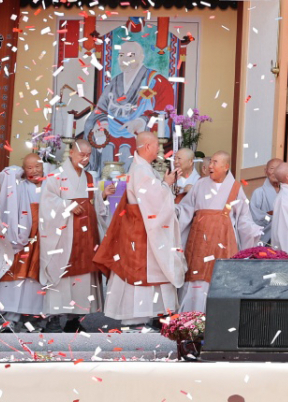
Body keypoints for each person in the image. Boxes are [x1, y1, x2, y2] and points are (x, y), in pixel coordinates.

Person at [93, 132, 186, 326]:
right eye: (156, 146)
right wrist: (167, 184)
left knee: (148, 271)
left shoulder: (142, 168)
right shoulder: (141, 170)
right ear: (147, 147)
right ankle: (136, 319)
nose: (158, 150)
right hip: (141, 230)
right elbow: (154, 201)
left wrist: (164, 185)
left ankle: (146, 316)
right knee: (141, 271)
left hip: (140, 227)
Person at [176, 151, 262, 312]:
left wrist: (253, 231)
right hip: (199, 239)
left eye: (215, 162)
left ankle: (219, 315)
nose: (210, 166)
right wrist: (175, 213)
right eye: (211, 162)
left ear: (226, 167)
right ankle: (191, 316)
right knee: (197, 274)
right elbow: (187, 208)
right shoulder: (200, 184)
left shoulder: (235, 188)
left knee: (220, 275)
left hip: (223, 238)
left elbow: (243, 217)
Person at [40, 139, 102, 333]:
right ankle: (54, 318)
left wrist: (105, 195)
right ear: (71, 154)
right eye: (81, 154)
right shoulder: (56, 176)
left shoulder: (90, 177)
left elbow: (97, 205)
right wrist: (67, 206)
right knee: (62, 272)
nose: (85, 158)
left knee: (83, 276)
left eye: (88, 155)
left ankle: (75, 319)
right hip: (64, 232)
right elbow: (47, 202)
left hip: (86, 234)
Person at [83, 40, 174, 171]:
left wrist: (141, 121)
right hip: (111, 133)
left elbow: (164, 114)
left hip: (138, 134)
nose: (124, 59)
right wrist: (102, 123)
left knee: (132, 148)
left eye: (130, 55)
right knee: (104, 144)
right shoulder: (115, 82)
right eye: (121, 55)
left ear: (141, 57)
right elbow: (100, 110)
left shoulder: (157, 81)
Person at [0, 154, 45, 330]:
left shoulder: (51, 186)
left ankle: (33, 320)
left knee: (36, 278)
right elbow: (7, 175)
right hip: (22, 235)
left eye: (37, 167)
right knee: (14, 275)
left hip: (43, 237)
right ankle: (8, 317)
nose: (34, 171)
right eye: (29, 168)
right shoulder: (19, 187)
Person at [249, 158, 283, 236]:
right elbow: (255, 217)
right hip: (265, 236)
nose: (275, 172)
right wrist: (274, 218)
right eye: (272, 169)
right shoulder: (258, 193)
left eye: (278, 169)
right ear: (266, 171)